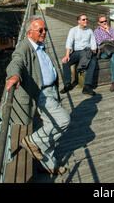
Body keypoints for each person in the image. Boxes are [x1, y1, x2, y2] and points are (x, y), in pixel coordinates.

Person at [6, 16, 70, 175]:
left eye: (45, 29)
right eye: (40, 30)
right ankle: (31, 141)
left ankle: (48, 164)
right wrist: (14, 75)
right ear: (29, 32)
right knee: (63, 120)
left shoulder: (39, 45)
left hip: (51, 90)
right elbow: (16, 61)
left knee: (49, 125)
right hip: (42, 93)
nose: (44, 33)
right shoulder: (25, 47)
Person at [61, 13, 98, 96]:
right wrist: (67, 55)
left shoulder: (89, 31)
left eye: (86, 19)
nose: (86, 21)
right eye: (83, 19)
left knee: (93, 61)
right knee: (65, 62)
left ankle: (87, 86)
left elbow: (93, 43)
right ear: (79, 21)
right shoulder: (73, 30)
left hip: (87, 51)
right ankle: (67, 84)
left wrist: (93, 51)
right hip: (77, 52)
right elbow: (69, 42)